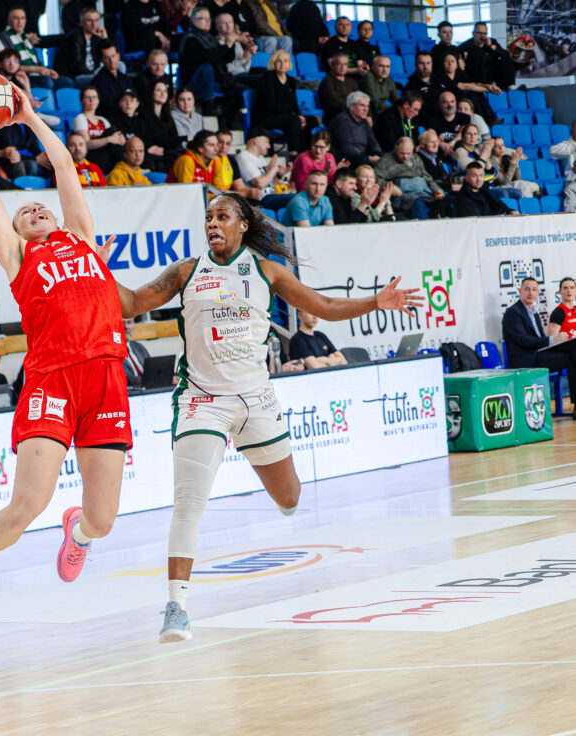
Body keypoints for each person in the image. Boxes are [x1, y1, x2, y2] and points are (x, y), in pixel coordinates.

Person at [112, 191, 421, 642]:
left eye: (222, 216)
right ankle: (176, 607)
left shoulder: (266, 270)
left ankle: (267, 477)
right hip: (202, 401)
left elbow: (323, 307)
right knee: (188, 503)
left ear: (242, 224)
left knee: (290, 499)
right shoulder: (186, 271)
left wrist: (375, 302)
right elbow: (130, 304)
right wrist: (94, 267)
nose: (212, 223)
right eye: (208, 217)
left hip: (257, 401)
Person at [0, 84, 132, 620]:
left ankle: (79, 535)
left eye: (39, 206)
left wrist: (29, 117)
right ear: (18, 233)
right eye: (24, 211)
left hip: (106, 380)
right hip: (51, 382)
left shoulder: (81, 237)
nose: (33, 209)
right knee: (27, 504)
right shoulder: (18, 258)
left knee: (102, 519)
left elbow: (65, 166)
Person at [503, 277, 576, 420]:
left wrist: (554, 342)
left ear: (538, 293)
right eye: (527, 289)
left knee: (574, 349)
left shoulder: (534, 313)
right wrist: (551, 340)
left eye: (534, 290)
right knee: (572, 356)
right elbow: (523, 340)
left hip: (537, 355)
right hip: (526, 360)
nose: (530, 293)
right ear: (519, 291)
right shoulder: (513, 312)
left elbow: (539, 340)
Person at [252, 50, 318, 156]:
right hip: (266, 117)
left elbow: (294, 104)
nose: (282, 64)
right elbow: (271, 106)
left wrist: (300, 116)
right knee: (294, 120)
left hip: (285, 117)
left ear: (289, 64)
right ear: (274, 63)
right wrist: (294, 115)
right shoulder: (268, 78)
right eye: (279, 61)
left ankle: (306, 154)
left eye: (285, 61)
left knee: (312, 120)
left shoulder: (291, 80)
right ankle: (293, 156)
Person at [178, 7, 237, 118]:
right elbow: (206, 57)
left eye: (209, 19)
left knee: (239, 90)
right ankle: (209, 105)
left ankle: (226, 120)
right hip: (194, 83)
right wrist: (226, 46)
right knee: (206, 67)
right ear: (194, 21)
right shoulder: (189, 39)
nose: (207, 21)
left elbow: (227, 58)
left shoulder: (210, 38)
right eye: (203, 18)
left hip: (214, 81)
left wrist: (230, 42)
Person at [373, 136, 442, 220]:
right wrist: (390, 187)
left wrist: (436, 189)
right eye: (402, 153)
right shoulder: (385, 162)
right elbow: (375, 178)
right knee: (417, 202)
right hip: (403, 195)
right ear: (396, 149)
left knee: (446, 200)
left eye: (408, 153)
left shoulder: (416, 158)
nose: (405, 156)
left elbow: (427, 177)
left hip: (423, 191)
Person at [0, 6, 64, 89]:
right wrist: (37, 69)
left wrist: (48, 71)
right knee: (47, 82)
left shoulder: (26, 37)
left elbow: (38, 63)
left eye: (22, 18)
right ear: (8, 20)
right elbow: (12, 64)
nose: (20, 22)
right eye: (16, 18)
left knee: (66, 82)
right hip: (22, 76)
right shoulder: (5, 37)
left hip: (38, 75)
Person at [55, 6, 108, 86]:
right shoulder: (74, 39)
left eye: (97, 20)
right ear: (81, 22)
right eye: (89, 21)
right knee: (104, 79)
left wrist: (104, 39)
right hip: (78, 76)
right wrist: (98, 74)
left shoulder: (97, 37)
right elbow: (77, 66)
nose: (94, 24)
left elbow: (110, 55)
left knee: (120, 66)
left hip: (94, 73)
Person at [329, 90, 381, 167]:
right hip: (346, 160)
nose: (366, 109)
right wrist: (368, 158)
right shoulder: (341, 120)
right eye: (362, 105)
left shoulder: (364, 121)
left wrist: (376, 154)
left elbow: (372, 141)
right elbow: (347, 148)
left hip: (364, 157)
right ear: (352, 107)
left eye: (367, 106)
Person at [459, 22, 515, 91]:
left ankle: (510, 86)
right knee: (478, 54)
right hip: (475, 77)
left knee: (505, 58)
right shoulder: (465, 46)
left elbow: (505, 55)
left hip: (492, 74)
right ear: (473, 33)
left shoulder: (491, 42)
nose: (482, 36)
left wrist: (493, 47)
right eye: (479, 33)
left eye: (484, 34)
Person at [140, 79, 181, 171]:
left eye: (165, 91)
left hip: (167, 154)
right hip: (150, 155)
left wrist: (166, 150)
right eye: (159, 90)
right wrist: (148, 148)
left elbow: (174, 139)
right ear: (152, 93)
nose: (162, 94)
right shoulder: (143, 115)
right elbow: (142, 137)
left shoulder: (168, 117)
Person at [91, 43, 133, 118]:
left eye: (113, 56)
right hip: (112, 118)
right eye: (107, 58)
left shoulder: (125, 78)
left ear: (118, 56)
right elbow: (107, 106)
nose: (111, 60)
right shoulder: (98, 82)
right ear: (101, 60)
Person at [317, 52, 359, 121]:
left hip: (353, 113)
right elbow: (334, 102)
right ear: (332, 65)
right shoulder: (326, 82)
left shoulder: (351, 81)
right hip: (336, 117)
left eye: (345, 64)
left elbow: (360, 97)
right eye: (339, 64)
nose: (342, 67)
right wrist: (355, 109)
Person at [121, 318, 151, 387]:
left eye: (129, 322)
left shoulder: (139, 347)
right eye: (122, 323)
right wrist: (154, 380)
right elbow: (128, 379)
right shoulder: (112, 351)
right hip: (131, 391)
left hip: (149, 388)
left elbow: (152, 370)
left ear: (134, 324)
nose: (126, 327)